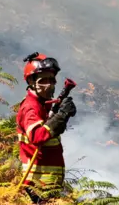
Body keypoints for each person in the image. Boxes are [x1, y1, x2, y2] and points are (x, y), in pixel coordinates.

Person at [16, 53, 76, 202]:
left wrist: (61, 115)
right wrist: (61, 116)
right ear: (31, 81)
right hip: (36, 185)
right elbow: (37, 136)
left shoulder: (42, 106)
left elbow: (49, 132)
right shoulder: (30, 107)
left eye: (52, 80)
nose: (49, 84)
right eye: (44, 80)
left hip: (46, 185)